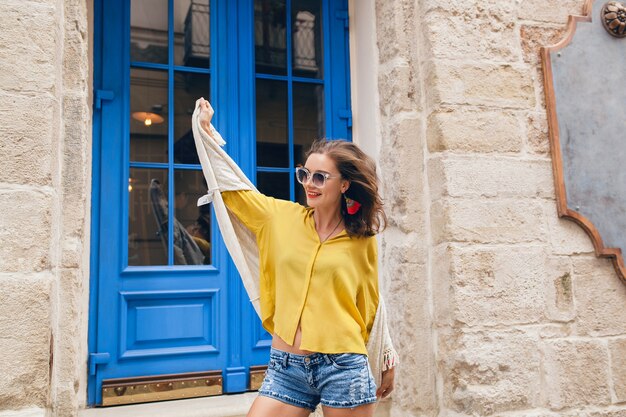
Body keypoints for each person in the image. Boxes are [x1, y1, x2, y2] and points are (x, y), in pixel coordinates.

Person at [195, 98, 397, 417]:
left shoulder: (361, 240)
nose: (309, 184)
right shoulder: (279, 218)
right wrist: (205, 132)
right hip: (287, 368)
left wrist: (386, 356)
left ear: (345, 184)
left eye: (321, 177)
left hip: (343, 364)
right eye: (305, 174)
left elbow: (371, 302)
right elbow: (231, 188)